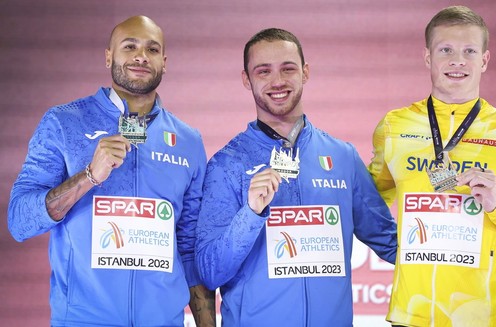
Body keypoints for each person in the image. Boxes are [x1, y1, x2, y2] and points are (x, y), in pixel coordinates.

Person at [368, 5, 496, 327]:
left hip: (491, 317)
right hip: (412, 316)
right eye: (446, 50)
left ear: (484, 60)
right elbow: (368, 205)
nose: (457, 60)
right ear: (428, 57)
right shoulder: (394, 127)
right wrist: (403, 255)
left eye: (469, 50)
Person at [7, 15, 215, 327]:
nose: (141, 56)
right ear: (108, 56)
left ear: (165, 61)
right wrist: (88, 176)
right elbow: (19, 222)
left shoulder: (188, 140)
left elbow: (188, 247)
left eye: (152, 49)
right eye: (129, 46)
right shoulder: (63, 123)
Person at [194, 28, 398, 327]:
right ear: (246, 79)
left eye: (288, 69)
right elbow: (210, 270)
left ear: (305, 72)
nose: (277, 81)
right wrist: (251, 214)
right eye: (263, 71)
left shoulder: (343, 157)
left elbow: (390, 242)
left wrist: (469, 238)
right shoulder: (227, 164)